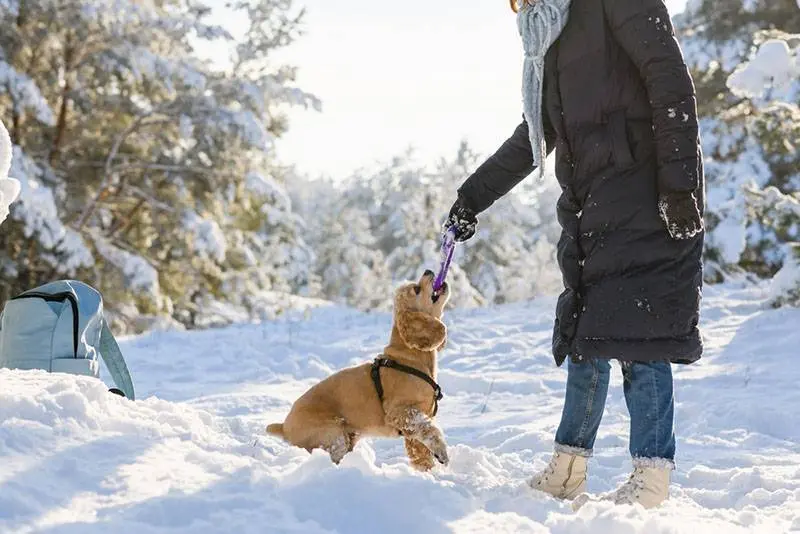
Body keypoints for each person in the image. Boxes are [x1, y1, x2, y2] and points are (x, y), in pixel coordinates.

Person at [444, 0, 704, 509]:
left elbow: (671, 84)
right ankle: (569, 466)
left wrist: (677, 188)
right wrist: (471, 196)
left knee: (640, 339)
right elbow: (536, 135)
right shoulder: (552, 37)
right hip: (592, 207)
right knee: (586, 337)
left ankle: (651, 478)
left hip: (648, 196)